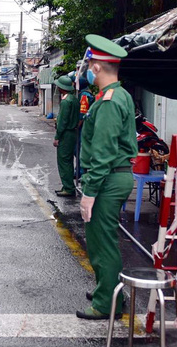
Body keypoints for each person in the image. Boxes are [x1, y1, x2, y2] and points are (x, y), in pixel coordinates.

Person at [76, 35, 138, 320]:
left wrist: (89, 193)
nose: (88, 69)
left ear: (98, 67)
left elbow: (103, 153)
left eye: (90, 64)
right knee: (100, 238)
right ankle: (108, 288)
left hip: (108, 179)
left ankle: (106, 304)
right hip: (111, 177)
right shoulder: (113, 95)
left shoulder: (111, 101)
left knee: (102, 241)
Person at [53, 75, 81, 197]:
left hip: (66, 134)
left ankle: (68, 188)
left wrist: (57, 137)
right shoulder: (74, 99)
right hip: (73, 132)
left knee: (64, 161)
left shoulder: (66, 101)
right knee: (68, 160)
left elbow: (62, 122)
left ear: (61, 88)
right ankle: (67, 186)